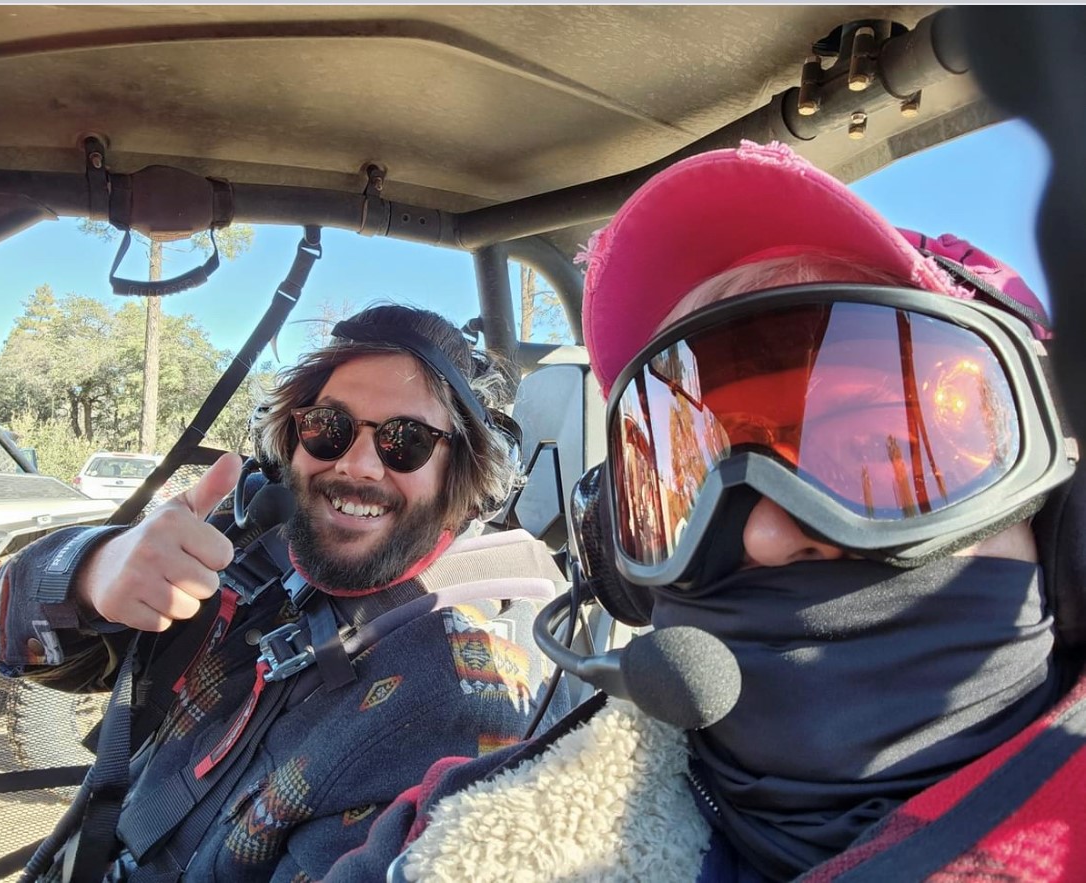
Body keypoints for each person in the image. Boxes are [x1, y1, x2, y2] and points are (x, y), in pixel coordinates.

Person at [319, 141, 1086, 882]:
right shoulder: (459, 836)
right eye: (686, 477)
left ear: (1060, 517)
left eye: (874, 447)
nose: (763, 529)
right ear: (616, 556)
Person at [0, 303, 568, 882]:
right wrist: (86, 576)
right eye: (328, 428)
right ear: (292, 441)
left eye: (405, 440)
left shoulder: (462, 696)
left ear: (462, 473)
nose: (358, 465)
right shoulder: (242, 541)